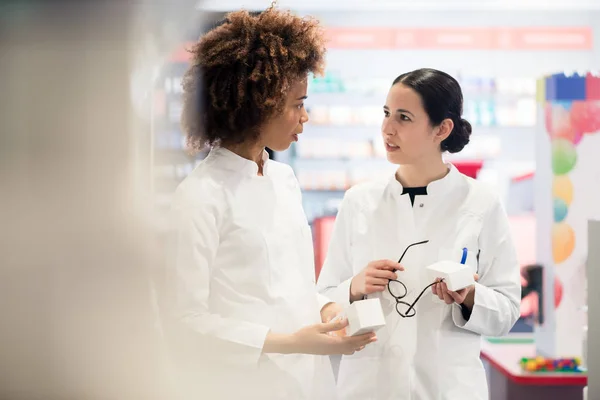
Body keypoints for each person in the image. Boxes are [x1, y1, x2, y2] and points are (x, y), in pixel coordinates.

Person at [164, 8, 377, 400]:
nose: (305, 116)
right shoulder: (200, 196)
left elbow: (288, 286)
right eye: (298, 103)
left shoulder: (284, 179)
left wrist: (326, 309)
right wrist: (289, 342)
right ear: (258, 104)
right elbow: (184, 320)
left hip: (305, 383)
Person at [317, 68, 521, 400]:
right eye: (385, 114)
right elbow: (324, 297)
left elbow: (507, 310)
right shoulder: (359, 202)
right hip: (369, 387)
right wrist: (354, 287)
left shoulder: (481, 203)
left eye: (404, 117)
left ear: (442, 128)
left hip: (447, 388)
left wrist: (469, 296)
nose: (387, 128)